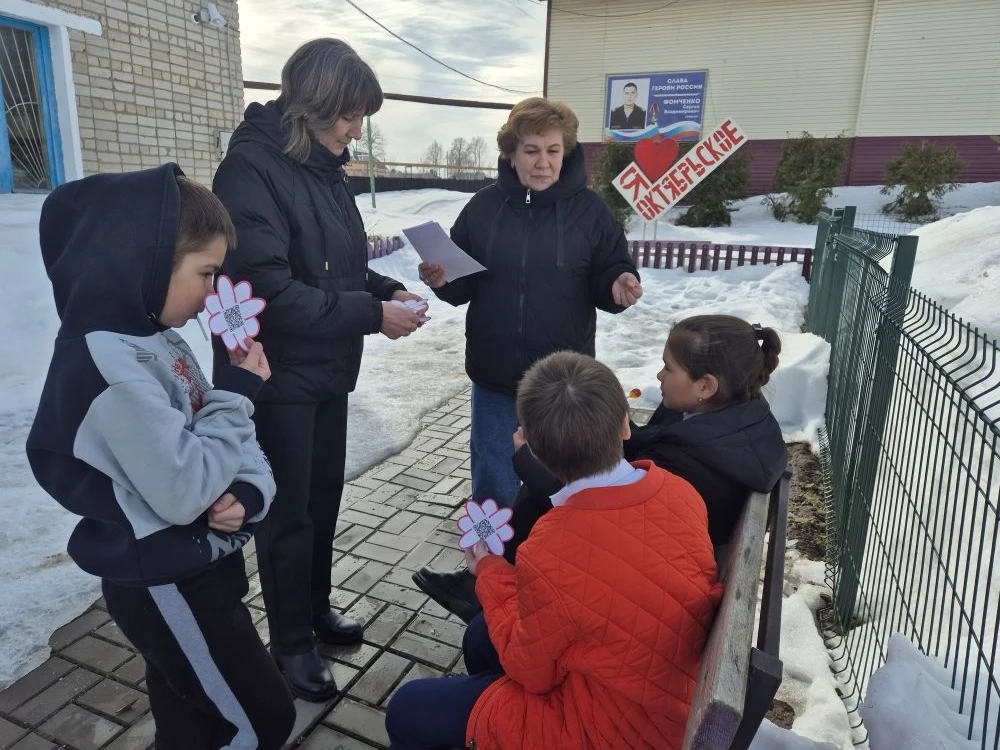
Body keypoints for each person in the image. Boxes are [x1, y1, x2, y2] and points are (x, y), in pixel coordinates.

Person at [26, 163, 295, 749]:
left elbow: (229, 443)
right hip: (166, 580)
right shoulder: (106, 366)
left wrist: (247, 491)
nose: (212, 294)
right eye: (206, 273)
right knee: (259, 720)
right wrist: (239, 395)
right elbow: (186, 489)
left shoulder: (158, 339)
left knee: (192, 717)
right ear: (144, 261)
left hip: (201, 566)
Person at [211, 38, 426, 702]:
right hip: (275, 376)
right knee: (287, 514)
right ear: (314, 105)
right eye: (350, 116)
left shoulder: (325, 170)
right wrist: (371, 314)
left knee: (322, 497)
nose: (356, 130)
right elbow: (269, 291)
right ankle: (291, 643)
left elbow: (340, 266)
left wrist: (384, 290)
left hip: (327, 368)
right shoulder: (250, 171)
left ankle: (313, 609)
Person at [385, 352, 722, 750]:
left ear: (534, 451)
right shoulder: (678, 489)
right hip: (672, 700)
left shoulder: (552, 544)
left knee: (406, 708)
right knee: (480, 634)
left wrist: (489, 569)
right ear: (624, 425)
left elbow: (530, 671)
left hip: (613, 731)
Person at [423, 314, 788, 622]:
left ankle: (489, 590)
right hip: (649, 552)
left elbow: (602, 509)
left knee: (540, 486)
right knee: (551, 469)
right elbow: (647, 452)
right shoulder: (731, 418)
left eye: (669, 368)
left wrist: (528, 461)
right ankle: (487, 581)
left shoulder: (692, 462)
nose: (659, 375)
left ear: (705, 386)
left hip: (634, 576)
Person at [416, 97, 642, 514]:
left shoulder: (590, 212)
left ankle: (552, 551)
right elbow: (462, 281)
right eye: (531, 150)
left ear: (566, 152)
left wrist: (618, 282)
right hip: (495, 376)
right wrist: (442, 279)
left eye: (553, 150)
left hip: (562, 384)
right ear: (511, 154)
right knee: (493, 477)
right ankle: (489, 552)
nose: (543, 162)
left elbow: (611, 267)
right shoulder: (483, 208)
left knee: (561, 480)